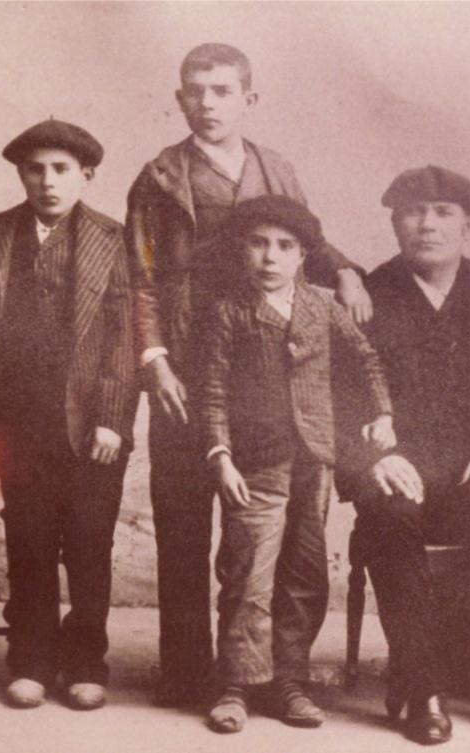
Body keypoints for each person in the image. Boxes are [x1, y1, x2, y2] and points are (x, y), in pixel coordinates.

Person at [124, 43, 373, 708]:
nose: (208, 103)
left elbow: (304, 241)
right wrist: (154, 361)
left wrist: (344, 268)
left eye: (222, 90)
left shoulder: (275, 168)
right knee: (183, 522)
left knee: (273, 534)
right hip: (187, 363)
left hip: (264, 370)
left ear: (248, 99)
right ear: (180, 99)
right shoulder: (159, 177)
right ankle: (186, 670)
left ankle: (266, 675)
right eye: (195, 90)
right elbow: (139, 277)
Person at [0, 120, 137, 711]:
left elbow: (123, 339)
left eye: (61, 169)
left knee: (89, 545)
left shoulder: (112, 240)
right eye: (35, 169)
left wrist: (112, 418)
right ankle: (31, 660)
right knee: (30, 541)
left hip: (94, 424)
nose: (47, 181)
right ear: (20, 175)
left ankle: (87, 662)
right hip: (20, 418)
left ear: (86, 175)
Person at [338, 166, 470, 745]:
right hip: (398, 467)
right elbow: (340, 393)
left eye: (443, 212)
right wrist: (372, 461)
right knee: (390, 518)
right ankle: (422, 687)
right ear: (394, 222)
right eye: (413, 212)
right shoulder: (369, 293)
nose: (428, 224)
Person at [199, 195, 394, 733]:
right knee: (248, 572)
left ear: (304, 255)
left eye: (285, 247)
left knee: (305, 574)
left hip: (315, 461)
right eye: (258, 244)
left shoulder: (322, 305)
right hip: (254, 463)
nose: (270, 257)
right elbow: (211, 392)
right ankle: (236, 682)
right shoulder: (227, 312)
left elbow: (367, 359)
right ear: (242, 249)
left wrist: (383, 413)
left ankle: (288, 681)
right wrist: (220, 455)